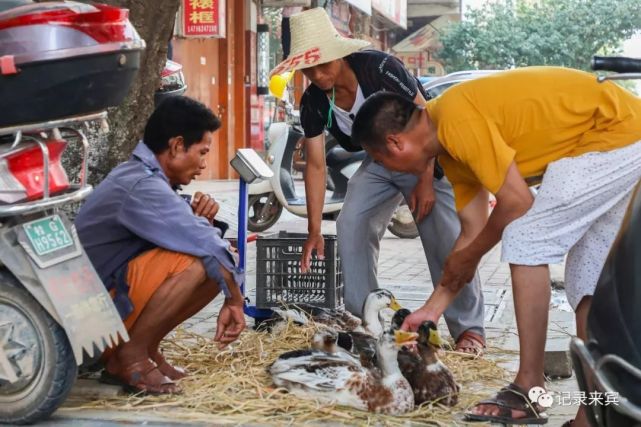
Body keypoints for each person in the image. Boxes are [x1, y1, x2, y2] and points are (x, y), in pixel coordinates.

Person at [351, 66, 641, 426]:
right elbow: (472, 232)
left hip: (614, 133)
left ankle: (530, 388)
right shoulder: (450, 151)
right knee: (587, 272)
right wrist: (431, 309)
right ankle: (592, 413)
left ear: (396, 142)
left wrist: (471, 255)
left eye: (381, 160)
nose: (387, 168)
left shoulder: (455, 119)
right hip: (622, 137)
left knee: (526, 237)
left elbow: (516, 203)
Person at [269, 7, 486, 355]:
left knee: (444, 235)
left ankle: (469, 331)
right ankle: (365, 325)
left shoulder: (380, 68)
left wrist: (425, 180)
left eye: (324, 62)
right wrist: (313, 230)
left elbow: (427, 120)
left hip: (424, 154)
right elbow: (314, 165)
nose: (318, 73)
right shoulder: (312, 100)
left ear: (341, 52)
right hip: (380, 161)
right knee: (351, 221)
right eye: (308, 67)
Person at [75, 96, 246, 394]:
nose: (204, 164)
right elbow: (204, 245)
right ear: (177, 145)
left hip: (102, 315)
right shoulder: (141, 184)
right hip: (89, 326)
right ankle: (131, 357)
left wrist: (199, 222)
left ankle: (146, 349)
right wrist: (235, 300)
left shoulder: (148, 178)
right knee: (197, 263)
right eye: (202, 152)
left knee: (213, 261)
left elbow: (202, 240)